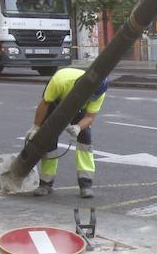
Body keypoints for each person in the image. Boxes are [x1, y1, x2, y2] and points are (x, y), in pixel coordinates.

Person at [26, 67, 109, 199]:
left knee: (85, 140)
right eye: (88, 96)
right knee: (49, 140)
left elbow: (90, 117)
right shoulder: (61, 80)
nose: (89, 99)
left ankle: (86, 184)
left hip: (80, 110)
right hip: (57, 102)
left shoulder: (99, 92)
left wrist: (78, 127)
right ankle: (46, 183)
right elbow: (45, 103)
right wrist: (36, 127)